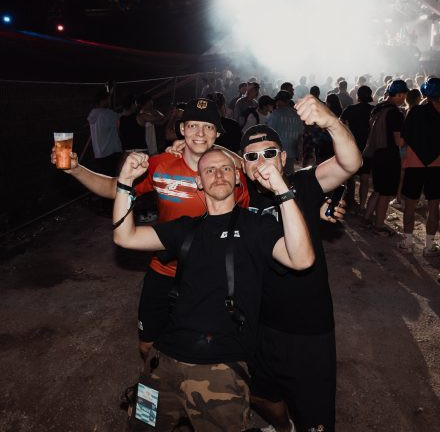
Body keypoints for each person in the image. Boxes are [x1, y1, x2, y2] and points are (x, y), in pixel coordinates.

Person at [113, 148, 315, 432]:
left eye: (226, 168)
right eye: (209, 170)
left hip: (221, 368)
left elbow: (302, 259)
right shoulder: (185, 228)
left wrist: (282, 190)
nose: (218, 174)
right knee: (140, 426)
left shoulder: (257, 226)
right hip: (161, 363)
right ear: (199, 182)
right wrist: (125, 182)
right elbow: (125, 237)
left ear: (237, 178)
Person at [51, 98, 249, 361]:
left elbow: (254, 177)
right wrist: (76, 170)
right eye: (193, 126)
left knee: (205, 349)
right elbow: (114, 188)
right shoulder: (160, 165)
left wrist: (225, 153)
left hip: (211, 274)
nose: (200, 133)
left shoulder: (230, 173)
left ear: (217, 133)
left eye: (208, 127)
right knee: (148, 345)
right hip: (164, 270)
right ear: (182, 129)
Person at [241, 101, 362, 432]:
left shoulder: (304, 184)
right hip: (260, 324)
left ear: (283, 158)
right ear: (243, 165)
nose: (261, 162)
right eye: (252, 156)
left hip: (308, 327)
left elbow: (350, 163)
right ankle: (284, 427)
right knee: (259, 394)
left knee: (315, 417)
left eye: (269, 153)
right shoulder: (238, 198)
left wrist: (332, 122)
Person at [398, 77, 440, 256]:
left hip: (414, 163)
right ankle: (429, 246)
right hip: (437, 165)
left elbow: (402, 140)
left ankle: (407, 243)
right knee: (433, 206)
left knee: (410, 204)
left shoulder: (414, 111)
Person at [363, 79, 409, 236]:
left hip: (376, 153)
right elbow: (399, 141)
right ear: (399, 94)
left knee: (377, 189)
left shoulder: (378, 108)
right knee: (385, 193)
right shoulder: (395, 113)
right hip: (388, 155)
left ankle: (367, 218)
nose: (404, 99)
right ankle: (379, 226)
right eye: (404, 95)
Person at [340, 85, 374, 211]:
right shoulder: (373, 110)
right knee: (364, 179)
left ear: (357, 96)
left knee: (350, 176)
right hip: (368, 148)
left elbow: (340, 124)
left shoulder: (350, 109)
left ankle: (348, 200)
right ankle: (362, 205)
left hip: (352, 146)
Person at [87, 89, 122, 176]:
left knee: (103, 178)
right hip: (111, 153)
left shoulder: (93, 113)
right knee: (114, 178)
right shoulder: (107, 114)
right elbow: (122, 119)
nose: (110, 102)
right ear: (103, 100)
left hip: (98, 154)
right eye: (108, 99)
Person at [268, 90, 304, 171]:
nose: (276, 103)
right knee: (289, 173)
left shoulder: (276, 114)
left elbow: (269, 131)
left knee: (278, 173)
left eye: (278, 101)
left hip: (278, 151)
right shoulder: (297, 115)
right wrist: (300, 151)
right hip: (292, 151)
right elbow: (300, 135)